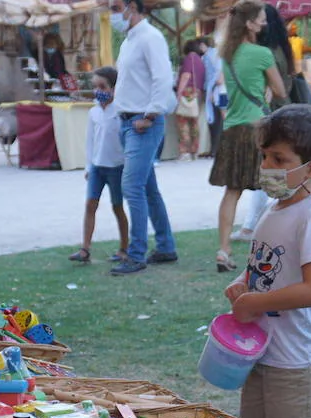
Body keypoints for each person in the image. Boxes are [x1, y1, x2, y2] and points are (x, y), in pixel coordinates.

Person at [222, 105, 311, 418]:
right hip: (262, 352)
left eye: (278, 158)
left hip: (295, 363)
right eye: (264, 157)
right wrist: (244, 281)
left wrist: (256, 302)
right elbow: (267, 265)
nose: (267, 167)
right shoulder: (272, 211)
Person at [211, 0, 288, 273]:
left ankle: (224, 250)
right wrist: (267, 90)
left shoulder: (226, 54)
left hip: (232, 129)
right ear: (249, 23)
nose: (264, 23)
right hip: (258, 128)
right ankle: (280, 248)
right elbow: (280, 91)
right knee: (277, 189)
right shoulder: (262, 54)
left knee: (232, 192)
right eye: (260, 19)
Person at [108, 0, 178, 276]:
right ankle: (165, 246)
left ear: (131, 7)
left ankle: (136, 254)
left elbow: (163, 79)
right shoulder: (129, 40)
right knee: (147, 188)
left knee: (132, 187)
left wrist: (150, 115)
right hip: (130, 121)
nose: (112, 14)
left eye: (115, 7)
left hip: (143, 122)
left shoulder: (151, 37)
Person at [69, 68, 129, 265]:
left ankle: (124, 248)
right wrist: (88, 165)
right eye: (95, 87)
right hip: (97, 166)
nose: (98, 91)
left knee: (118, 207)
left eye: (102, 87)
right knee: (90, 205)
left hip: (116, 167)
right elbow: (90, 141)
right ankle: (85, 248)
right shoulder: (94, 112)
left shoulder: (121, 111)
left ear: (114, 88)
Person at [175, 39, 207, 161]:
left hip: (186, 93)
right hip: (196, 93)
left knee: (182, 122)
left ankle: (184, 152)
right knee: (194, 123)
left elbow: (186, 76)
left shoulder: (190, 58)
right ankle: (195, 150)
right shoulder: (200, 60)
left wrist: (178, 93)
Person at [202, 37, 226, 158]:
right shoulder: (221, 57)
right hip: (222, 93)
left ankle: (219, 148)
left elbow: (219, 79)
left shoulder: (215, 58)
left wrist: (210, 89)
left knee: (223, 118)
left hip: (221, 93)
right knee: (222, 119)